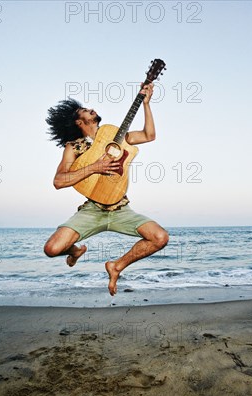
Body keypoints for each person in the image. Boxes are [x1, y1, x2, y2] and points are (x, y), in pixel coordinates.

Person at [43, 83, 168, 296]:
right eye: (84, 109)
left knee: (160, 237)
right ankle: (74, 251)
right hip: (93, 209)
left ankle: (116, 266)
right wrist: (95, 167)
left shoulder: (114, 134)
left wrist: (146, 104)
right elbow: (59, 181)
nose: (90, 108)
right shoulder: (73, 147)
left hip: (120, 208)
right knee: (51, 249)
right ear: (78, 121)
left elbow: (148, 135)